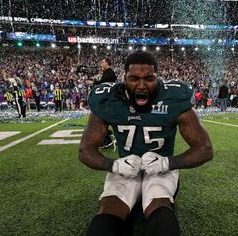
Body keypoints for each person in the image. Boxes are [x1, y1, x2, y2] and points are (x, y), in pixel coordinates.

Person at [79, 50, 213, 236]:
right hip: (125, 166)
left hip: (161, 167)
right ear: (124, 78)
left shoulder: (173, 97)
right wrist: (113, 165)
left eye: (149, 79)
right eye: (134, 78)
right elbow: (85, 150)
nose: (141, 85)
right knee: (109, 208)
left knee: (159, 199)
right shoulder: (108, 98)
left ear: (157, 78)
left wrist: (168, 163)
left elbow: (205, 149)